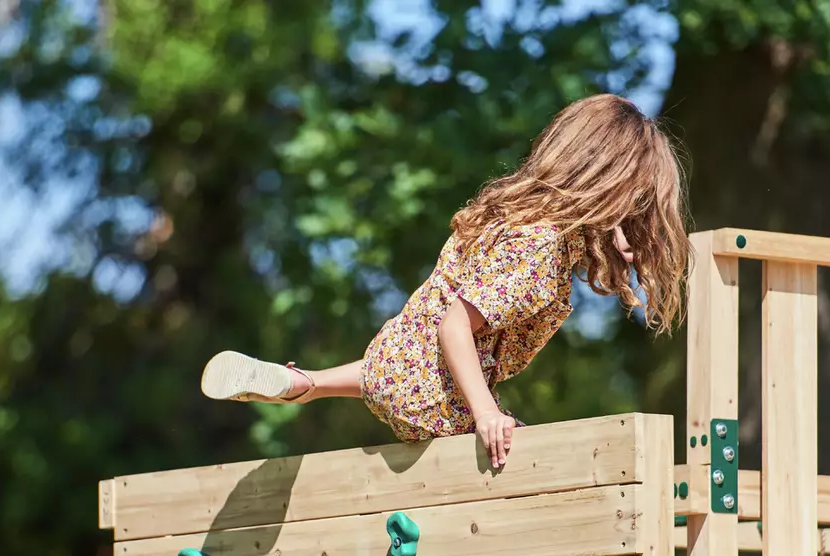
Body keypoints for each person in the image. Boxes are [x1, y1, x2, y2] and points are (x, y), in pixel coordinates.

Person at [201, 93, 688, 468]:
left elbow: (418, 344)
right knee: (534, 466)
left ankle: (299, 383)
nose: (633, 212)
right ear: (603, 182)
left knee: (393, 370)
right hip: (444, 401)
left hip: (392, 365)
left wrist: (627, 239)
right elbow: (454, 325)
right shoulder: (543, 253)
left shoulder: (507, 219)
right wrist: (486, 414)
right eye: (631, 198)